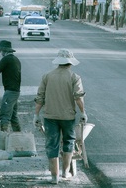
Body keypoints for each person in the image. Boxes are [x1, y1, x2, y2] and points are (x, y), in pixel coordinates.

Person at [34, 49, 86, 185]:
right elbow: (78, 98)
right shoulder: (75, 77)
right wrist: (83, 112)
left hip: (50, 117)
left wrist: (36, 115)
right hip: (68, 117)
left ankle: (54, 177)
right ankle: (65, 172)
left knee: (52, 145)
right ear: (70, 63)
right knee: (68, 143)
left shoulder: (47, 76)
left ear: (58, 62)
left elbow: (40, 97)